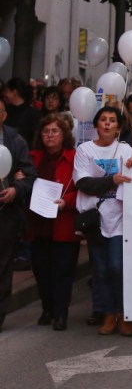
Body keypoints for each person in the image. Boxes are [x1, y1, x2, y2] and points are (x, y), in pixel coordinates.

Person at [73, 105, 132, 336]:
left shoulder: (126, 150)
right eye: (103, 119)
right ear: (96, 125)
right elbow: (83, 183)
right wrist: (112, 180)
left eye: (112, 120)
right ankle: (108, 314)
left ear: (119, 127)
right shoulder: (84, 150)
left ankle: (124, 313)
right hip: (94, 219)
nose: (107, 123)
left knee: (117, 267)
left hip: (119, 218)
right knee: (100, 270)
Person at [26, 114, 81, 331]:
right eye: (46, 131)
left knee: (62, 271)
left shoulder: (75, 157)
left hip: (63, 224)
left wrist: (65, 202)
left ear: (64, 135)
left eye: (55, 131)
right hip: (38, 224)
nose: (50, 135)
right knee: (41, 270)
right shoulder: (32, 158)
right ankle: (47, 308)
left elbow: (83, 191)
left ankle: (60, 313)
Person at [0, 99, 37, 333]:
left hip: (6, 214)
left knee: (3, 266)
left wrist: (16, 189)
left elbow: (30, 175)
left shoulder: (15, 140)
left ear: (4, 115)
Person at [3, 77, 42, 145]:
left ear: (14, 92)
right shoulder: (4, 110)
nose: (4, 94)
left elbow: (35, 138)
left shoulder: (33, 114)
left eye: (7, 91)